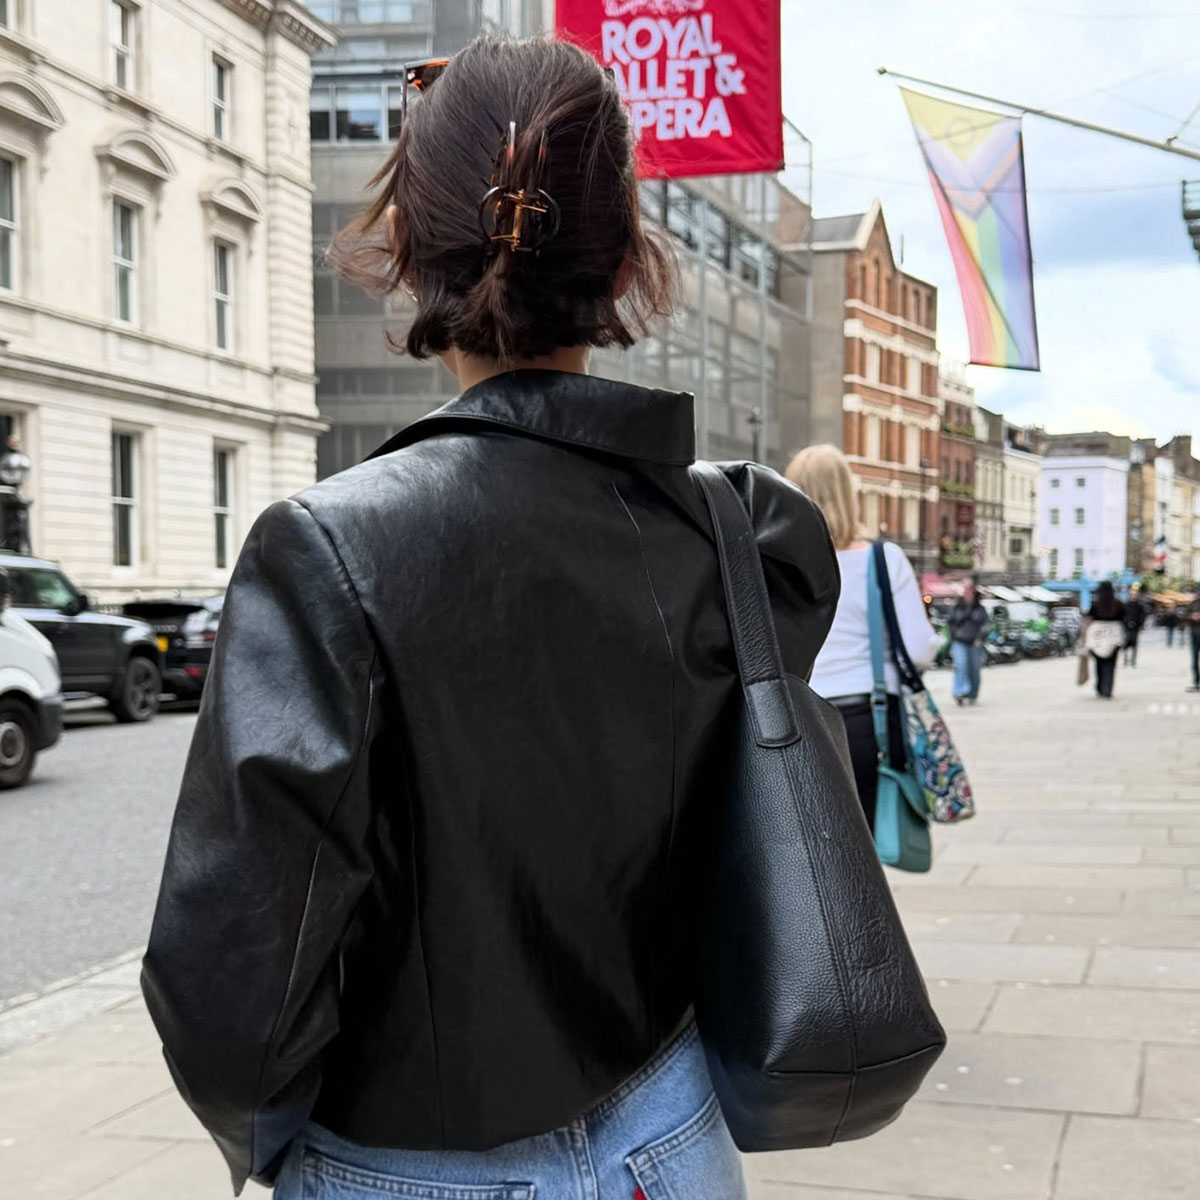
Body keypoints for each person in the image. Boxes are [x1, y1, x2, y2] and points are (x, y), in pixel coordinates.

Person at [140, 37, 840, 1200]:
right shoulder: (741, 533)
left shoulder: (326, 551)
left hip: (407, 1159)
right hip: (672, 1140)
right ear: (624, 261)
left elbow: (234, 966)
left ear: (412, 252)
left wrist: (276, 1141)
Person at [786, 444, 939, 832]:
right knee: (866, 846)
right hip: (868, 721)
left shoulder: (774, 563)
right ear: (849, 494)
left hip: (794, 717)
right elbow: (919, 650)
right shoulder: (883, 560)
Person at [947, 581, 989, 706]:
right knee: (961, 665)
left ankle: (972, 694)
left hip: (974, 642)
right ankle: (960, 692)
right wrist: (954, 635)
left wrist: (980, 638)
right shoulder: (957, 607)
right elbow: (950, 623)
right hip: (959, 641)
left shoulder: (980, 609)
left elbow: (985, 625)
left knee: (974, 669)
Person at [1082, 581, 1126, 699]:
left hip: (1097, 637)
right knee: (1111, 664)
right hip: (1114, 636)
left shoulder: (1095, 604)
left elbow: (1088, 619)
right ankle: (1108, 689)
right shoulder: (1118, 604)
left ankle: (1100, 688)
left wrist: (1084, 637)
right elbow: (1124, 618)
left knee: (1099, 664)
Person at [1121, 585, 1146, 667]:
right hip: (1126, 627)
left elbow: (1142, 615)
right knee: (1126, 642)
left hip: (1136, 627)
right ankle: (1125, 658)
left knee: (1134, 643)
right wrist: (1125, 623)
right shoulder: (1125, 605)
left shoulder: (1139, 605)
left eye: (1134, 594)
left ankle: (1133, 660)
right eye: (1132, 594)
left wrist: (1140, 624)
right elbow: (1122, 615)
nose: (1133, 596)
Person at [1185, 587, 1200, 692]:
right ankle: (1196, 682)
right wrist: (1191, 616)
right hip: (1194, 635)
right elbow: (1184, 617)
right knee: (1194, 661)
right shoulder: (1191, 604)